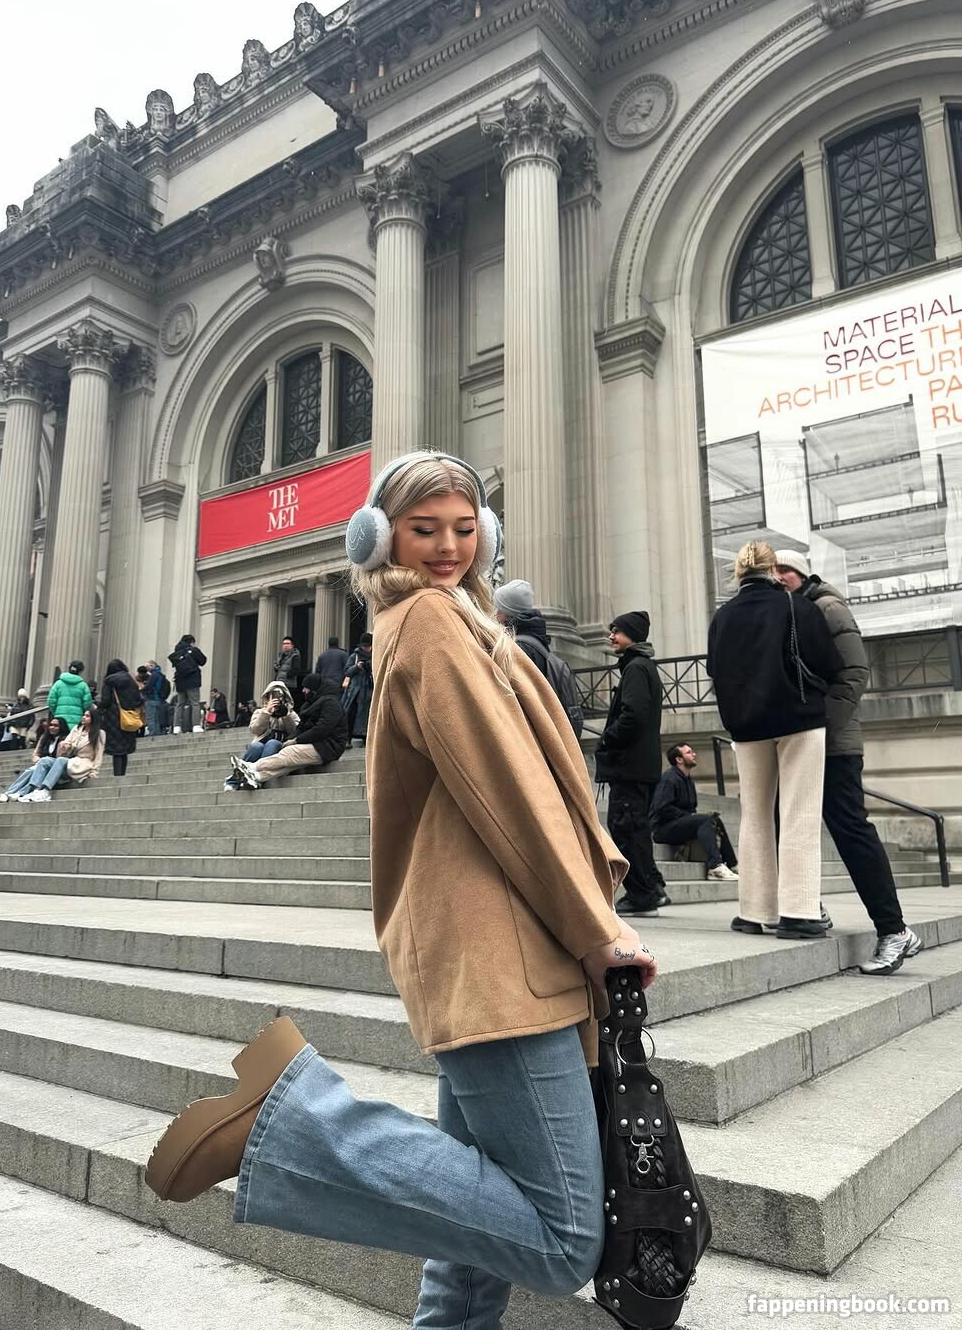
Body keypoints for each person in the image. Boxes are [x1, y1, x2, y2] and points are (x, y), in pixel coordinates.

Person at [144, 451, 656, 1328]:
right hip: (507, 954)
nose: (449, 546)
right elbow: (509, 791)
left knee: (470, 1234)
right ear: (379, 538)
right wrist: (595, 930)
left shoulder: (448, 619)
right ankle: (293, 1122)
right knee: (565, 1238)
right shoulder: (430, 621)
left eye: (464, 528)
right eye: (424, 530)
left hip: (494, 948)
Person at [773, 551, 924, 974]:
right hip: (802, 741)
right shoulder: (792, 612)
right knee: (785, 822)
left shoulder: (827, 606)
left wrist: (820, 727)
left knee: (851, 831)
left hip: (833, 744)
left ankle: (894, 930)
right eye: (773, 572)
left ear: (802, 573)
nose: (778, 577)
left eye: (785, 570)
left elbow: (855, 672)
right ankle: (808, 906)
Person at [708, 541, 843, 940]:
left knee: (754, 814)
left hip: (746, 725)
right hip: (798, 717)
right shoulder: (795, 606)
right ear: (772, 570)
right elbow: (829, 663)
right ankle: (798, 912)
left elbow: (715, 669)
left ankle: (753, 911)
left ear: (738, 573)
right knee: (799, 812)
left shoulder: (723, 617)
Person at [594, 611, 666, 917]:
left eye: (618, 631)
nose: (611, 636)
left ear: (633, 635)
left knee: (626, 828)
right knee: (635, 828)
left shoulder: (636, 668)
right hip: (640, 765)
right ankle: (652, 888)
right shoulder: (642, 666)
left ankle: (642, 896)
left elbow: (633, 716)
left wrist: (607, 738)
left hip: (630, 765)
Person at [495, 578, 584, 739]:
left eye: (498, 610)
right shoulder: (539, 646)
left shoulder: (516, 650)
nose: (495, 615)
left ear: (507, 614)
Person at [231, 673, 346, 789]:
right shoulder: (309, 705)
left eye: (306, 688)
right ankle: (256, 777)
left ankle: (251, 767)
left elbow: (322, 729)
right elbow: (300, 728)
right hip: (314, 744)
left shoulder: (331, 703)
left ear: (314, 689)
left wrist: (295, 739)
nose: (303, 691)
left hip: (327, 746)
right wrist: (290, 738)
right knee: (286, 762)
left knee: (289, 752)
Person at [650, 743, 738, 880]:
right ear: (679, 759)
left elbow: (691, 809)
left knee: (714, 819)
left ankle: (732, 864)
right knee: (705, 819)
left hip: (679, 824)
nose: (694, 754)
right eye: (689, 752)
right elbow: (661, 808)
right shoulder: (668, 779)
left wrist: (692, 816)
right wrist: (690, 816)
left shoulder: (688, 781)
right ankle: (715, 867)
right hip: (662, 829)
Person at [0, 717, 70, 801]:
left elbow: (61, 758)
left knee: (39, 766)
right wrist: (37, 759)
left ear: (61, 727)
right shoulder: (45, 738)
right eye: (50, 725)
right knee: (31, 770)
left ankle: (21, 792)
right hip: (43, 765)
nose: (52, 727)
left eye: (56, 726)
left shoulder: (65, 740)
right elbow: (36, 753)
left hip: (56, 768)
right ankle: (9, 793)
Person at [99, 659, 143, 776]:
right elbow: (138, 700)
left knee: (116, 748)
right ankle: (122, 773)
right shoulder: (131, 681)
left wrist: (98, 706)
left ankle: (117, 774)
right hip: (129, 717)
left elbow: (105, 700)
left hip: (113, 718)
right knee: (124, 748)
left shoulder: (109, 682)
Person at [241, 681, 299, 764]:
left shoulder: (291, 714)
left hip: (283, 744)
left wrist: (285, 715)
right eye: (273, 695)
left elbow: (295, 731)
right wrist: (266, 713)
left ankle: (261, 768)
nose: (277, 698)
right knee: (256, 746)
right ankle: (242, 768)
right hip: (262, 741)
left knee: (272, 743)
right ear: (268, 697)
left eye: (280, 696)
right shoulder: (260, 712)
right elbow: (255, 730)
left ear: (284, 697)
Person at [169, 634, 207, 734]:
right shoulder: (193, 650)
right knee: (195, 702)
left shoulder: (177, 652)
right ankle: (196, 725)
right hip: (192, 680)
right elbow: (203, 661)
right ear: (191, 642)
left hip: (180, 681)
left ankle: (176, 727)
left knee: (180, 704)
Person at [341, 633, 373, 747]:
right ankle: (348, 738)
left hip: (369, 690)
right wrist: (356, 667)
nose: (366, 648)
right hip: (356, 690)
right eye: (364, 646)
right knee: (350, 714)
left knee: (368, 715)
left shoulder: (375, 656)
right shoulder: (354, 656)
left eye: (368, 646)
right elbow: (347, 671)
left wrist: (370, 667)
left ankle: (365, 738)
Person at [48, 660, 92, 731]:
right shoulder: (83, 686)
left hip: (60, 719)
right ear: (80, 671)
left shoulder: (58, 684)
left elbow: (51, 701)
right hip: (76, 720)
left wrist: (56, 712)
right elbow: (87, 704)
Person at [142, 660, 171, 736]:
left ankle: (152, 732)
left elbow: (149, 686)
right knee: (156, 718)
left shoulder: (154, 675)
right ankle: (156, 733)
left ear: (152, 666)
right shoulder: (160, 675)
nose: (146, 668)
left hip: (152, 698)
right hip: (159, 699)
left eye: (147, 666)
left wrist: (141, 689)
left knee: (150, 717)